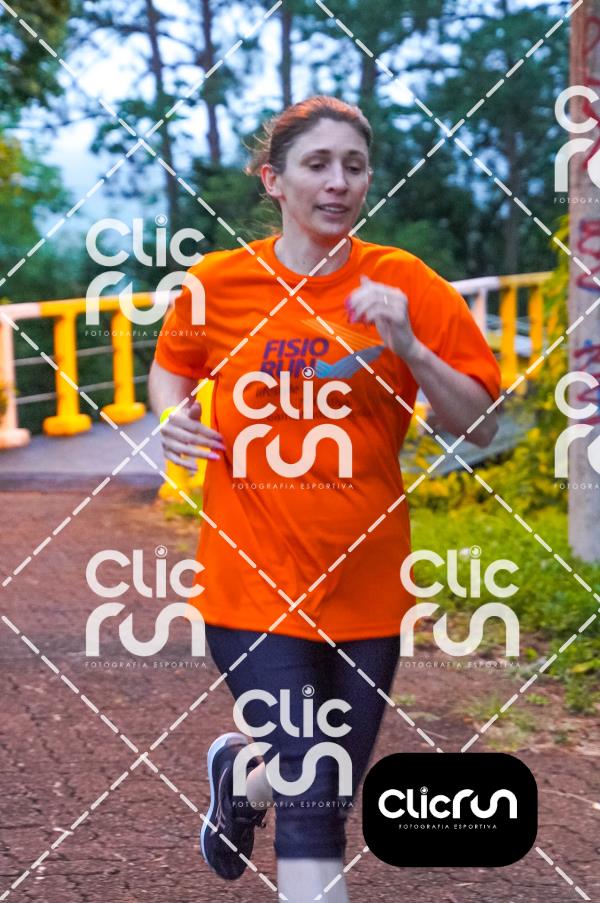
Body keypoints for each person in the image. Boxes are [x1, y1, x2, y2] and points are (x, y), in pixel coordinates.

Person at [148, 95, 501, 902]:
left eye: (354, 165)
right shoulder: (218, 284)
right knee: (315, 807)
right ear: (273, 180)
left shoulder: (405, 283)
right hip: (249, 584)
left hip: (367, 588)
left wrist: (409, 345)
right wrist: (171, 417)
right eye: (317, 164)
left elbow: (481, 422)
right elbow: (172, 364)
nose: (339, 182)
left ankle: (243, 774)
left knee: (321, 778)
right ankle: (269, 781)